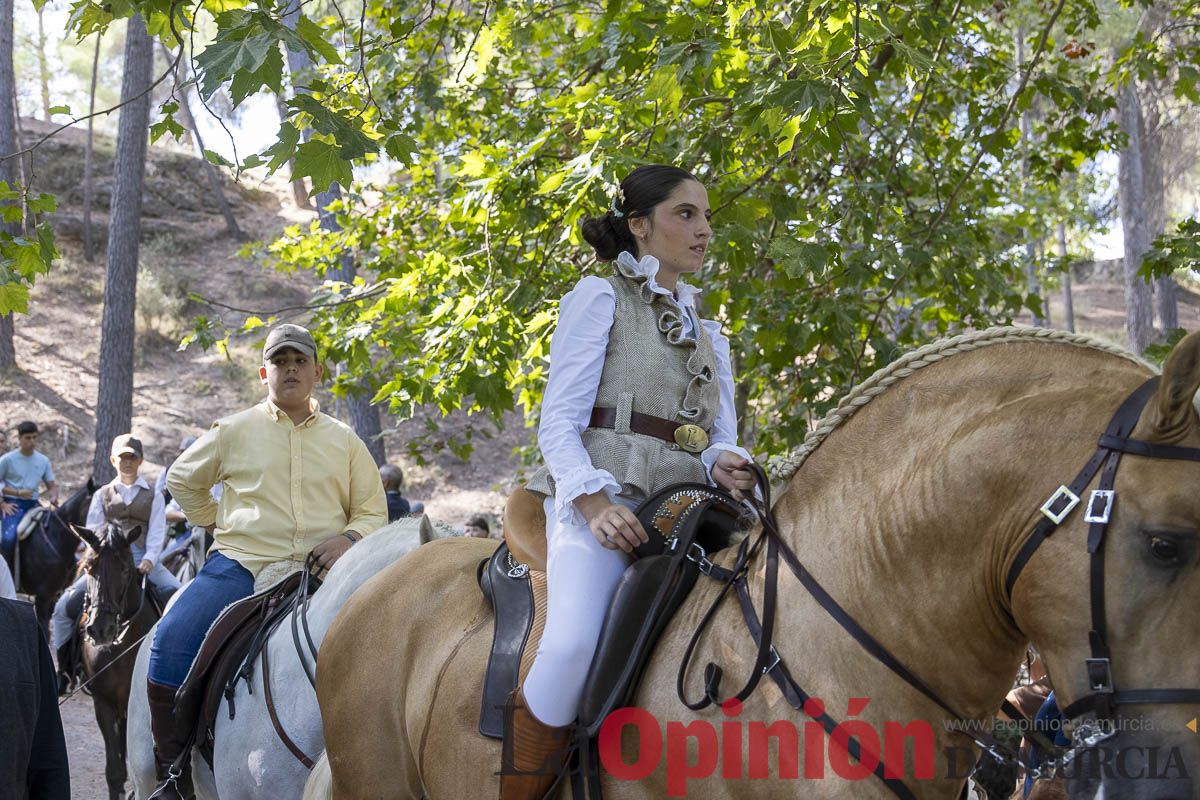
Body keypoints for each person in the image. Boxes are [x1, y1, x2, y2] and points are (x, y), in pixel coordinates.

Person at [505, 165, 757, 796]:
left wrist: (723, 460)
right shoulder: (598, 297)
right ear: (640, 226)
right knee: (567, 649)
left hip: (691, 512)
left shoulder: (711, 334)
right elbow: (557, 422)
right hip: (605, 506)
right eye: (686, 214)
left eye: (706, 216)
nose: (703, 229)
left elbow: (713, 437)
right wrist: (591, 501)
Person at [147, 323, 388, 800]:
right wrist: (216, 524)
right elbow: (180, 478)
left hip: (323, 575)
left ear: (317, 372)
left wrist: (350, 538)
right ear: (264, 372)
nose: (291, 369)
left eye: (300, 361)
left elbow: (373, 511)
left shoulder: (346, 442)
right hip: (242, 565)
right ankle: (172, 772)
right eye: (280, 362)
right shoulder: (234, 430)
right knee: (172, 638)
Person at [50, 434, 182, 694]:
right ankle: (65, 670)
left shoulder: (153, 495)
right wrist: (95, 560)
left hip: (143, 557)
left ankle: (176, 671)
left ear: (141, 460)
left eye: (132, 457)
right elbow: (92, 531)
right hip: (107, 561)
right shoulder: (102, 494)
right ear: (113, 460)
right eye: (123, 457)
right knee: (63, 608)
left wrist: (148, 560)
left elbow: (157, 532)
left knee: (179, 598)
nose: (128, 462)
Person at [0, 597, 70, 799]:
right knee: (64, 609)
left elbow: (48, 750)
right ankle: (70, 667)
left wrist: (148, 562)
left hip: (141, 573)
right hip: (98, 574)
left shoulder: (22, 627)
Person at [0, 421, 57, 566]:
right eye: (28, 438)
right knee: (8, 539)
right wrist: (2, 504)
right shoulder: (7, 460)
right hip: (13, 505)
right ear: (19, 438)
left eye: (34, 437)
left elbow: (52, 486)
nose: (32, 441)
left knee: (53, 533)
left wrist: (54, 497)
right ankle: (7, 576)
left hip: (34, 505)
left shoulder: (43, 460)